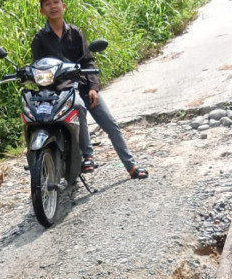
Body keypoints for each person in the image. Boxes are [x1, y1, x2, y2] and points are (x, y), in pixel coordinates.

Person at [31, 0, 149, 179]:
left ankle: (131, 166)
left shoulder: (76, 33)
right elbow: (39, 68)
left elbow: (88, 61)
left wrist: (94, 87)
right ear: (42, 11)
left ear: (64, 6)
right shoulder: (39, 39)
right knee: (78, 106)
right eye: (48, 4)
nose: (53, 6)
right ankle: (88, 156)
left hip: (85, 86)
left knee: (110, 123)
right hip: (61, 92)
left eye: (56, 2)